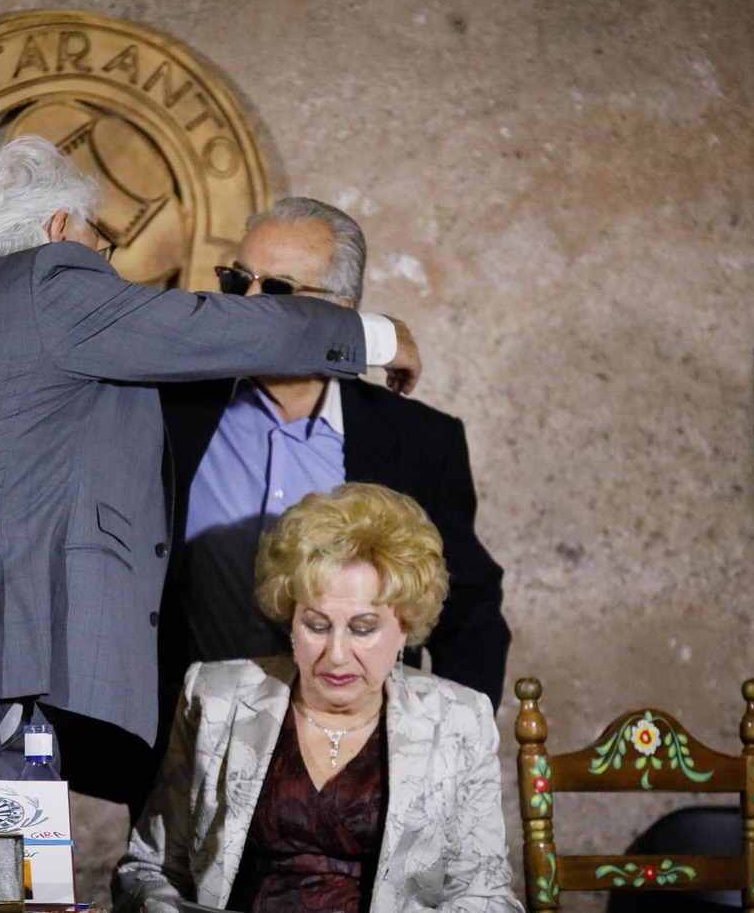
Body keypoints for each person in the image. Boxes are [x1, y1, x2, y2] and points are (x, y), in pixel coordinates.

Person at [0, 135, 422, 818]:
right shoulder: (53, 285)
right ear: (56, 231)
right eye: (95, 236)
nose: (104, 258)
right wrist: (378, 336)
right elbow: (203, 327)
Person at [159, 197, 510, 713]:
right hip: (186, 750)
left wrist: (450, 746)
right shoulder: (168, 412)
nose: (247, 304)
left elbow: (469, 613)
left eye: (277, 289)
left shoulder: (419, 442)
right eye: (237, 282)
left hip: (358, 761)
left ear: (341, 313)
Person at [112, 483, 522, 913]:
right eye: (316, 625)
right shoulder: (215, 700)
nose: (337, 655)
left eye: (363, 628)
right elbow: (147, 869)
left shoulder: (458, 720)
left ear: (405, 626)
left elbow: (488, 898)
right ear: (290, 617)